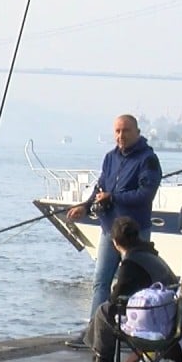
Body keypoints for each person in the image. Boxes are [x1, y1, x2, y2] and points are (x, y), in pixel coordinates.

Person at [65, 114, 162, 348]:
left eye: (125, 131)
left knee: (133, 284)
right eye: (117, 131)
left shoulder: (148, 159)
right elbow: (100, 187)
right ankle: (94, 333)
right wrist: (85, 206)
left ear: (137, 132)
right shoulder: (110, 158)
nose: (121, 136)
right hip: (109, 229)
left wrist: (114, 197)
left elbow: (145, 194)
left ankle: (134, 331)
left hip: (135, 233)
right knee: (101, 281)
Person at [70, 216, 177, 362]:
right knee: (106, 312)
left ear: (115, 242)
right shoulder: (151, 255)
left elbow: (116, 301)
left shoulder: (131, 263)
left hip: (153, 326)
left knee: (103, 312)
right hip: (170, 319)